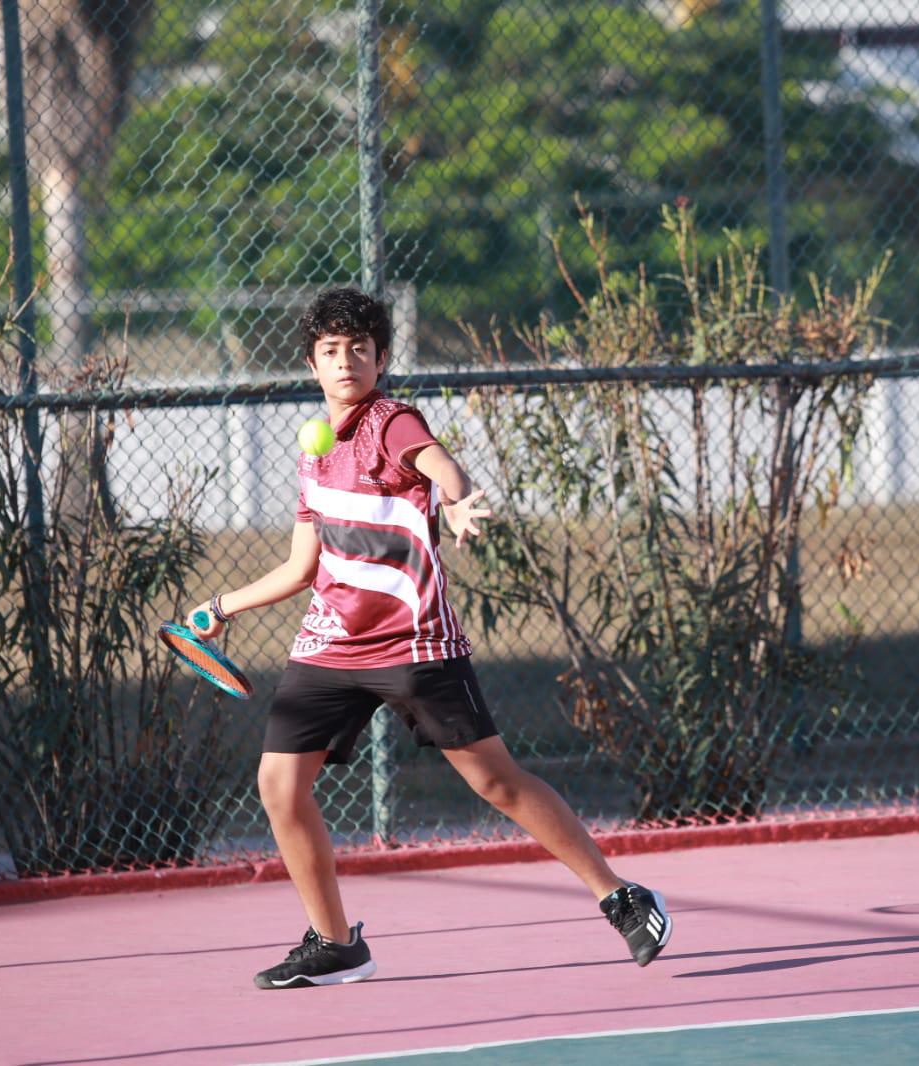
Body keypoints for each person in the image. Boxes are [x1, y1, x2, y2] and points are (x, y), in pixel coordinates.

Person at [188, 286, 672, 989]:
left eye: (360, 349)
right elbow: (301, 566)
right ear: (312, 364)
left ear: (381, 359)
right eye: (331, 351)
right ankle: (335, 943)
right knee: (279, 787)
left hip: (415, 646)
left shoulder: (391, 421)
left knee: (497, 783)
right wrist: (221, 606)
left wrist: (457, 499)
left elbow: (437, 462)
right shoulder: (313, 456)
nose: (346, 361)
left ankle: (622, 895)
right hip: (328, 648)